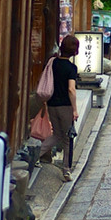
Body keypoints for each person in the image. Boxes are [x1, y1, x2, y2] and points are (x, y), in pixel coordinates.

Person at [41, 34, 80, 182]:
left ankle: (35, 154)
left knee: (56, 135)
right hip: (65, 106)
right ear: (74, 51)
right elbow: (71, 89)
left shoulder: (53, 63)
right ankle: (66, 170)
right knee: (67, 138)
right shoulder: (71, 68)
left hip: (52, 104)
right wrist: (75, 109)